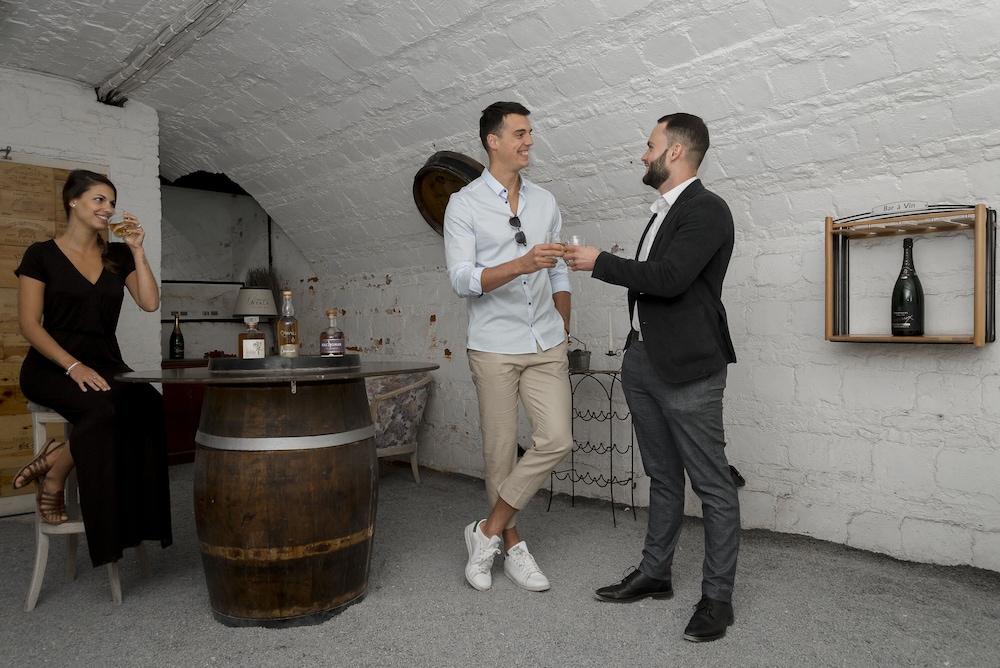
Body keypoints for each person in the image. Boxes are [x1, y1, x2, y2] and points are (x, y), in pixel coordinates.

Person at [567, 113, 740, 642]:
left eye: (650, 145)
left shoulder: (707, 209)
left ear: (675, 152)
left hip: (689, 368)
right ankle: (655, 574)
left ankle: (717, 599)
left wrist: (599, 261)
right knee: (662, 476)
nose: (643, 155)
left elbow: (669, 279)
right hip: (642, 361)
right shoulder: (663, 212)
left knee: (712, 485)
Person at [13, 169, 172, 568]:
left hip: (106, 361)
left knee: (149, 403)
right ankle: (54, 480)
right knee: (105, 409)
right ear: (73, 200)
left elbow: (150, 303)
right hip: (51, 364)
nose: (108, 208)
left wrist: (137, 249)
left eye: (111, 202)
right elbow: (29, 324)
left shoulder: (118, 255)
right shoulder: (40, 254)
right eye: (99, 199)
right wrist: (73, 366)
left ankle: (57, 458)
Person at [444, 101, 573, 593]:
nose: (529, 141)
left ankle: (487, 530)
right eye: (520, 133)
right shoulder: (464, 204)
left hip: (546, 341)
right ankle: (513, 544)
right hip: (494, 345)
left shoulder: (545, 201)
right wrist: (521, 263)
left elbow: (558, 269)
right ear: (492, 141)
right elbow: (462, 279)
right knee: (499, 454)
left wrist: (562, 324)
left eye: (529, 132)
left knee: (556, 439)